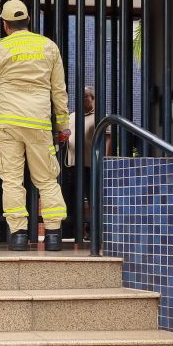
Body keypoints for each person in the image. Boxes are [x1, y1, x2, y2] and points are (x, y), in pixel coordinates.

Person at [0, 0, 70, 252]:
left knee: (11, 179)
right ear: (28, 20)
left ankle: (19, 235)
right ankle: (53, 235)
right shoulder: (48, 46)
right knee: (47, 178)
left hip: (8, 120)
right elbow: (59, 90)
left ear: (5, 24)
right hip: (38, 120)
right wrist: (62, 124)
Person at [62, 86, 107, 238]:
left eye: (85, 96)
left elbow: (107, 139)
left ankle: (93, 232)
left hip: (91, 165)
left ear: (93, 98)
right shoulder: (73, 116)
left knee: (93, 197)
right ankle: (71, 230)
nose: (82, 99)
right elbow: (65, 134)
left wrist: (103, 160)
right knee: (71, 197)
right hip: (72, 164)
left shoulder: (100, 116)